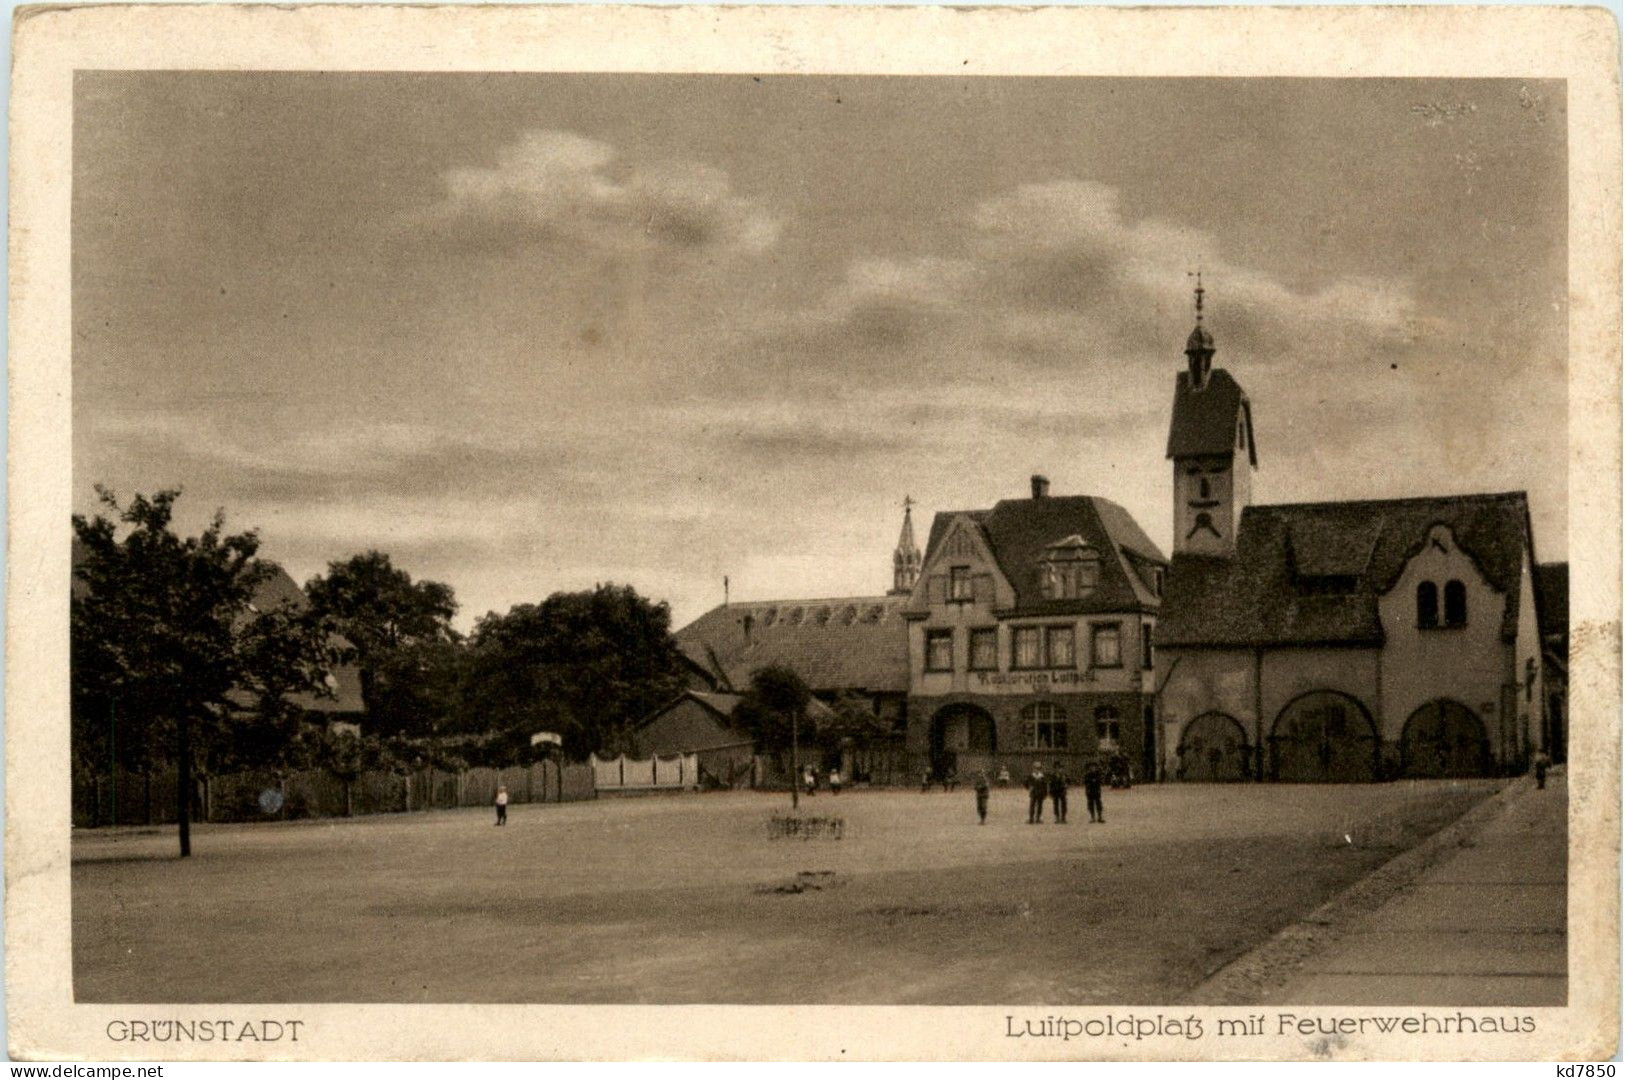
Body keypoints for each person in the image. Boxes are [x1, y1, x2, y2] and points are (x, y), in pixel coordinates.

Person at [1083, 758, 1105, 823]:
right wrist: (1090, 783)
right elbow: (1086, 782)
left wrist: (1096, 781)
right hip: (1090, 791)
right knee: (1091, 804)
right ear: (1089, 768)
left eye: (1094, 767)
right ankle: (1092, 817)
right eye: (1091, 767)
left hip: (1097, 790)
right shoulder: (1087, 775)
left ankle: (1100, 816)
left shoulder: (1098, 774)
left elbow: (1101, 781)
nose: (1093, 768)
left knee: (1098, 804)